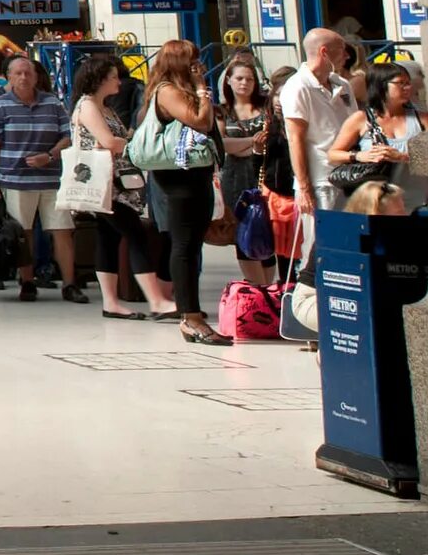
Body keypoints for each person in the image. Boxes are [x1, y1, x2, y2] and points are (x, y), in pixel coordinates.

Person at [134, 41, 227, 345]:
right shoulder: (167, 90)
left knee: (192, 245)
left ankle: (192, 314)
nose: (198, 67)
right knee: (184, 245)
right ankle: (191, 317)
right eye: (193, 62)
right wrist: (201, 89)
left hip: (193, 176)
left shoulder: (175, 90)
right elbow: (200, 121)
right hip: (178, 179)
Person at [71, 53, 166, 319]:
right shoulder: (88, 106)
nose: (119, 82)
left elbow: (117, 138)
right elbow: (110, 141)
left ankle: (110, 302)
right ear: (98, 79)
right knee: (134, 234)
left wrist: (123, 140)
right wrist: (135, 145)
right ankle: (156, 299)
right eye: (113, 77)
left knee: (108, 237)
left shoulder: (105, 107)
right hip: (104, 185)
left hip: (113, 182)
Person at [0, 51, 79, 302]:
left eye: (28, 73)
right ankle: (27, 281)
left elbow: (67, 137)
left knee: (62, 231)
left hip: (52, 179)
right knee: (23, 234)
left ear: (36, 77)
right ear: (9, 78)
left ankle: (69, 284)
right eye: (18, 73)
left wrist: (51, 155)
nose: (24, 77)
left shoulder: (53, 103)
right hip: (15, 180)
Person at [281, 28, 361, 219]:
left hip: (351, 174)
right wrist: (304, 187)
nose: (347, 55)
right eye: (342, 49)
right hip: (322, 181)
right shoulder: (297, 87)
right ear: (324, 52)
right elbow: (295, 139)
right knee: (321, 242)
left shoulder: (343, 84)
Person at [213, 50, 277, 288]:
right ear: (228, 80)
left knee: (268, 230)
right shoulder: (221, 111)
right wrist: (253, 142)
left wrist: (249, 146)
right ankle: (257, 288)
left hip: (264, 176)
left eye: (249, 79)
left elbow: (272, 140)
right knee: (244, 232)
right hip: (235, 180)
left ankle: (268, 288)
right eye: (239, 78)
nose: (244, 83)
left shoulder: (266, 107)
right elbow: (224, 145)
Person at [326, 61, 426, 202]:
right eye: (401, 83)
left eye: (408, 83)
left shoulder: (422, 118)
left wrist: (402, 157)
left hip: (417, 195)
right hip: (377, 199)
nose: (408, 87)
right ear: (381, 85)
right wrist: (360, 156)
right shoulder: (360, 119)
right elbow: (332, 155)